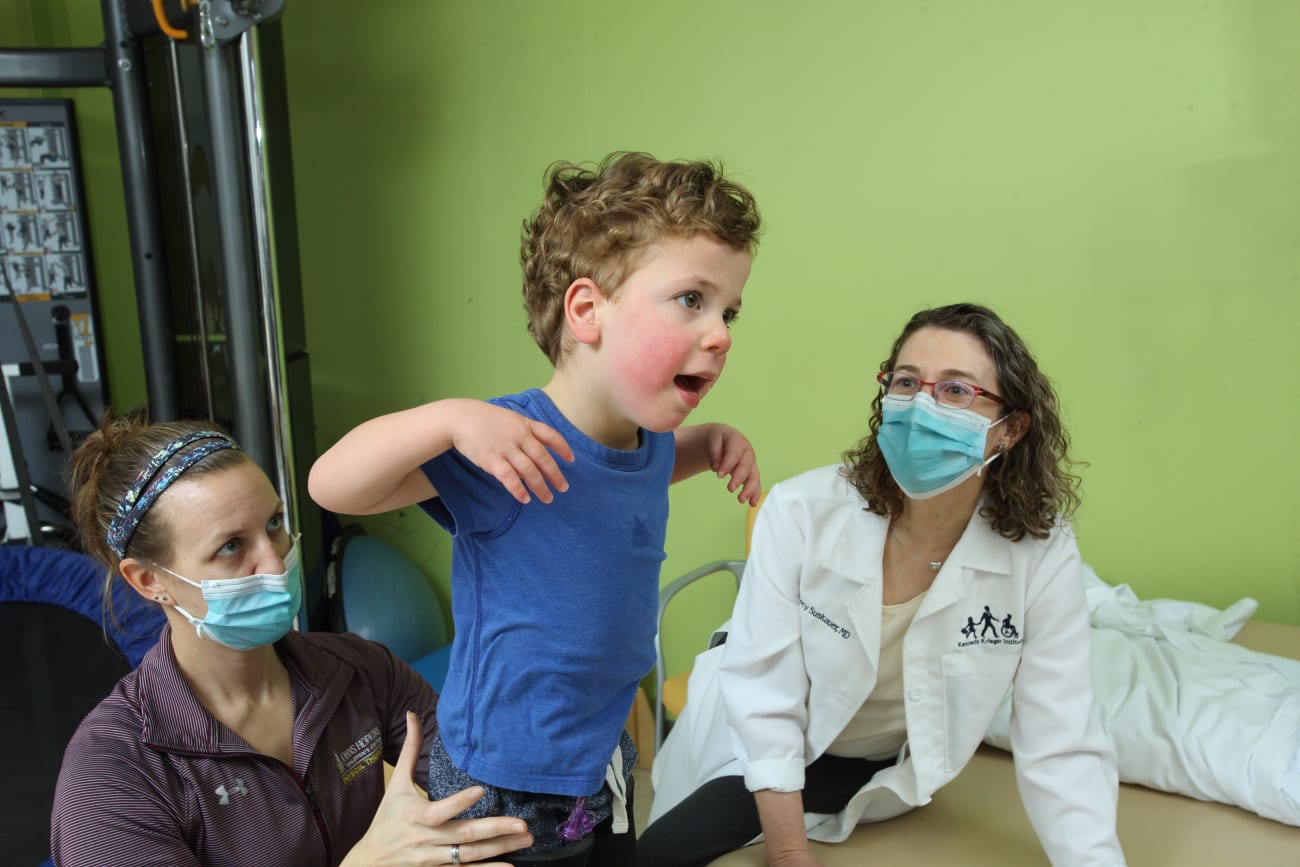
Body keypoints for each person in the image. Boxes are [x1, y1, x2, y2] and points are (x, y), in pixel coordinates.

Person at [308, 152, 764, 865]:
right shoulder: (503, 442)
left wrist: (705, 445)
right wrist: (450, 419)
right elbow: (332, 485)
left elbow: (617, 482)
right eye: (692, 300)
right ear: (586, 311)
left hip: (599, 755)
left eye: (729, 310)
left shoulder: (647, 442)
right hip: (504, 782)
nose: (722, 333)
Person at [641, 303, 1125, 867]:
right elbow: (767, 695)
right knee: (660, 854)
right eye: (906, 382)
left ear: (1010, 430)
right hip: (749, 726)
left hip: (872, 761)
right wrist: (790, 853)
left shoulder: (1040, 551)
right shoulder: (802, 511)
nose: (922, 406)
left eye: (955, 391)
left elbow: (1060, 735)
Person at [50, 415, 534, 867]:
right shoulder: (111, 774)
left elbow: (489, 798)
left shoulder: (361, 672)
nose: (276, 563)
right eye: (231, 547)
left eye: (274, 524)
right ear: (149, 581)